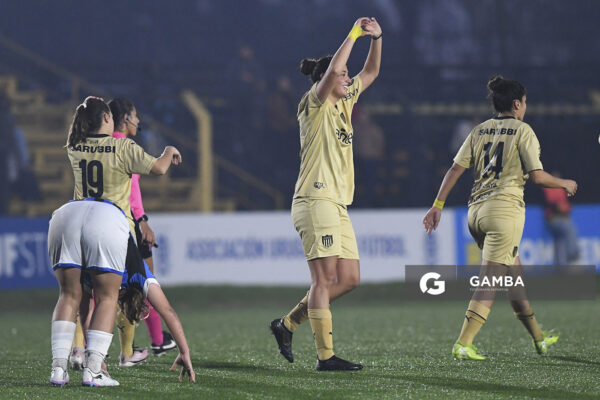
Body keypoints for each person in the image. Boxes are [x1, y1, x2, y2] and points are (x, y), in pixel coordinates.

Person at [422, 76, 578, 360]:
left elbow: (455, 170)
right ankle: (463, 342)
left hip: (476, 213)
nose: (526, 107)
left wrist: (437, 205)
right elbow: (537, 176)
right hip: (504, 212)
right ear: (517, 104)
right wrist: (564, 183)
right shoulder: (523, 131)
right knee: (490, 281)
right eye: (525, 102)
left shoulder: (478, 130)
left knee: (514, 278)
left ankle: (539, 339)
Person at [270, 17, 382, 371]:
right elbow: (336, 69)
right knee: (323, 280)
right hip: (314, 200)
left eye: (348, 75)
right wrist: (353, 33)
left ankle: (286, 324)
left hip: (336, 203)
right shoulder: (313, 103)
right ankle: (325, 357)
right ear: (326, 80)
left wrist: (377, 38)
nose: (348, 78)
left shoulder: (344, 101)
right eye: (342, 74)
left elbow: (373, 71)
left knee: (349, 279)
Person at [49, 96, 183, 387]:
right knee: (108, 298)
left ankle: (59, 369)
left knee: (70, 297)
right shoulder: (123, 147)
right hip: (108, 225)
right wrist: (169, 150)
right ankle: (95, 369)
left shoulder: (74, 146)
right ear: (108, 119)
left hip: (70, 218)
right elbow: (159, 169)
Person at [108, 98, 176, 366]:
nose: (138, 121)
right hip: (127, 224)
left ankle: (84, 350)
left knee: (101, 290)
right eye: (135, 116)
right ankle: (153, 342)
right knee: (144, 283)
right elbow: (132, 192)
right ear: (124, 119)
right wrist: (142, 220)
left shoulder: (99, 144)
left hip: (100, 223)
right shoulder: (126, 147)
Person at [78, 239, 196, 383]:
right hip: (104, 238)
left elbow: (86, 312)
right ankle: (73, 363)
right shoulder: (140, 276)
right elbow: (168, 312)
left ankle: (70, 360)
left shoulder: (139, 274)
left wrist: (184, 352)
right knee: (81, 299)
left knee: (72, 297)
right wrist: (184, 352)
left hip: (102, 235)